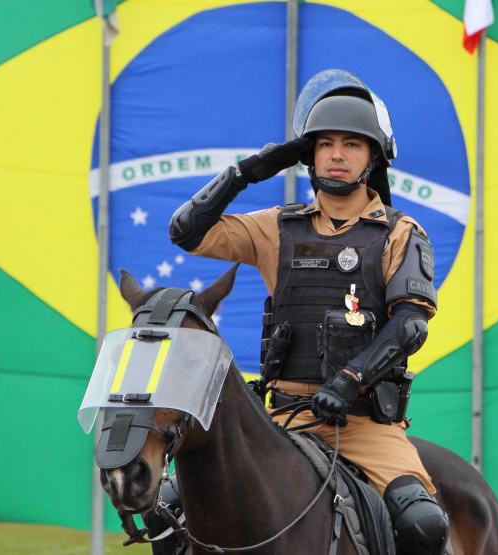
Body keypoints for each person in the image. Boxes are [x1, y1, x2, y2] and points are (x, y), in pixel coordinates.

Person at [169, 69, 448, 555]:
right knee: (173, 508)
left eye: (352, 144)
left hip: (363, 426)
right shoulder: (277, 227)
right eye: (324, 144)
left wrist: (348, 382)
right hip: (284, 417)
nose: (336, 155)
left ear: (373, 157)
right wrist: (248, 171)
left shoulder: (401, 233)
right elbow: (186, 232)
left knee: (423, 523)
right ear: (309, 154)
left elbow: (409, 325)